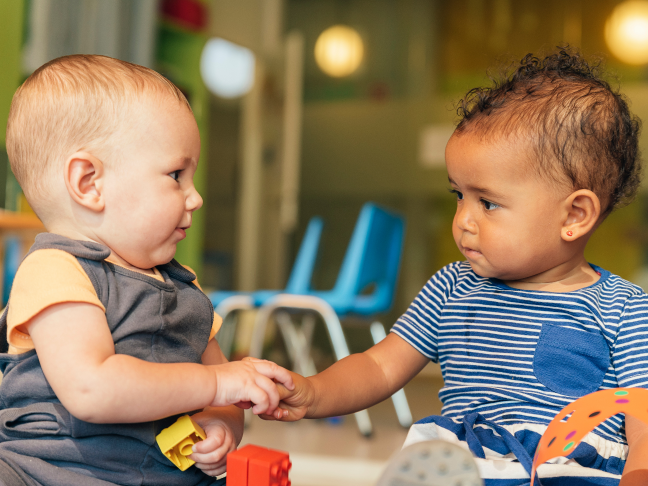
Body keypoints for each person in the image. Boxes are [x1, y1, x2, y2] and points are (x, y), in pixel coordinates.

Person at [266, 48, 648, 485]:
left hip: (569, 471)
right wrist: (313, 392)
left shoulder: (625, 308)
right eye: (458, 196)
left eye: (487, 202)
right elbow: (379, 367)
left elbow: (641, 415)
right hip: (462, 469)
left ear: (574, 216)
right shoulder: (452, 287)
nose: (464, 221)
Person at [0, 54, 293, 486]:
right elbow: (92, 389)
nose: (194, 198)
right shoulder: (55, 271)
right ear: (89, 184)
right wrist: (214, 385)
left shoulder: (184, 288)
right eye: (176, 175)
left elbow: (224, 392)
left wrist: (220, 425)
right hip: (48, 473)